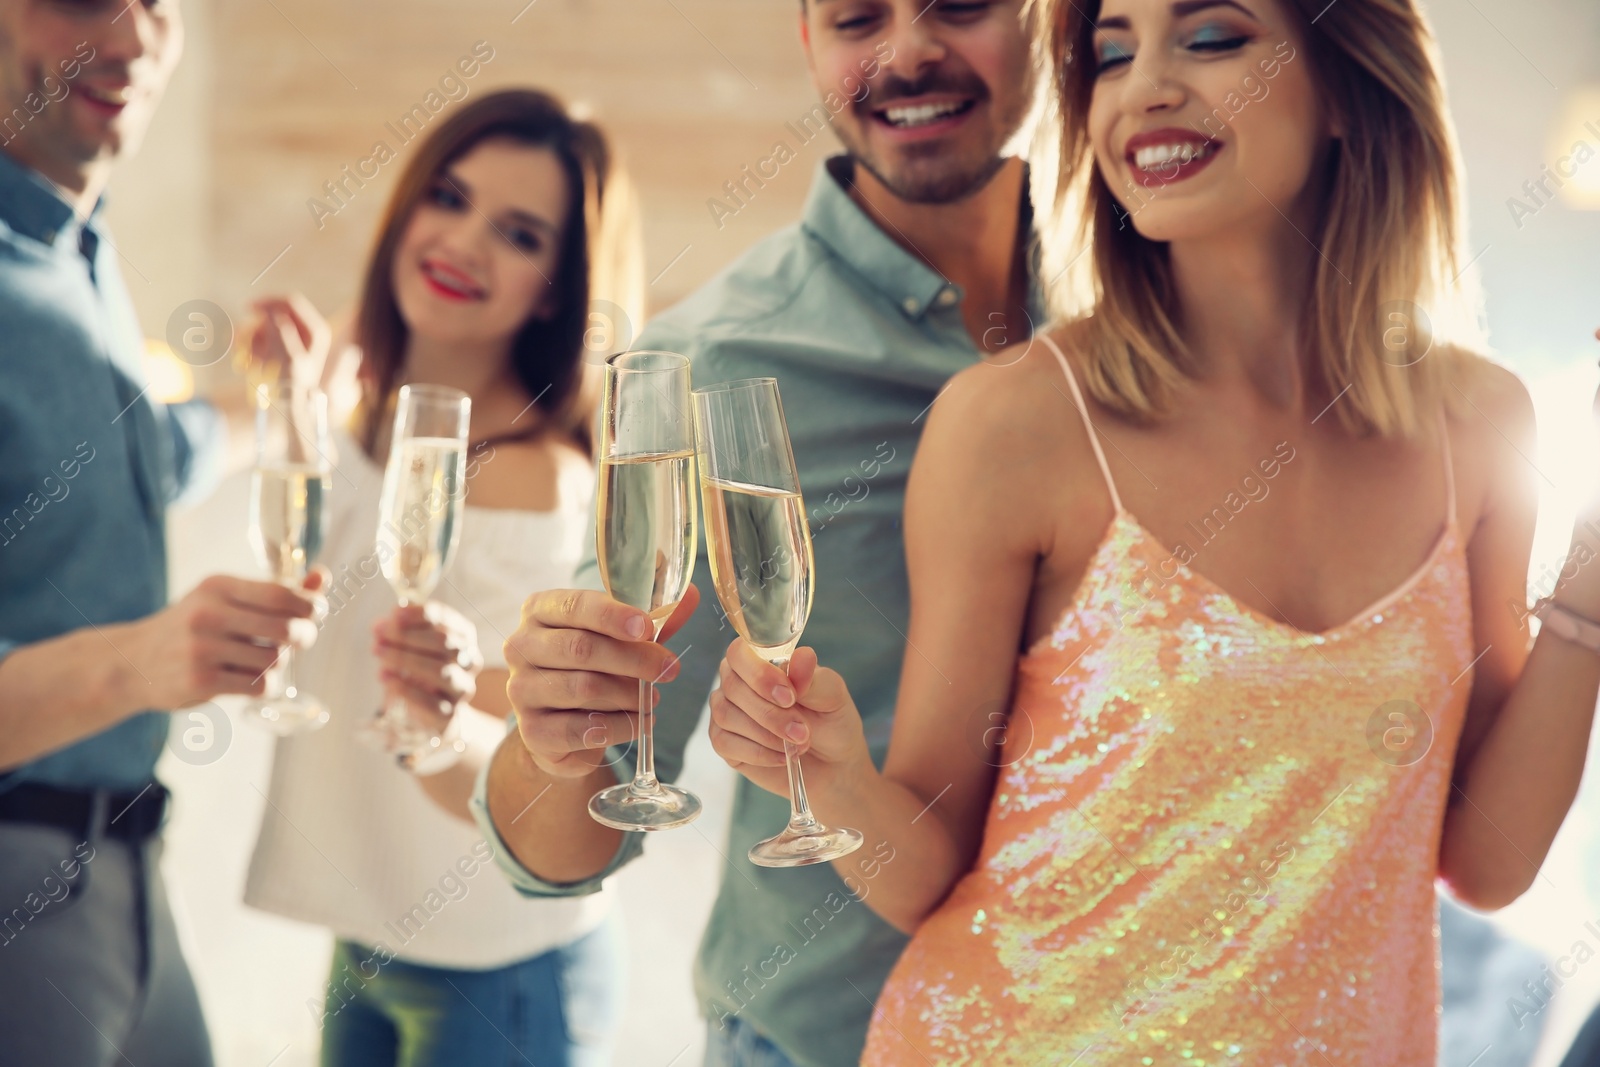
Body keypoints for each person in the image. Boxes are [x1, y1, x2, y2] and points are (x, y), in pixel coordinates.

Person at [708, 0, 1600, 1062]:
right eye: (1112, 54)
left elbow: (1484, 858)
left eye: (1212, 38)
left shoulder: (1477, 422)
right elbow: (928, 868)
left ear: (1350, 93)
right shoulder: (1018, 422)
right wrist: (836, 771)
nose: (1143, 88)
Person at [475, 2, 1042, 1064]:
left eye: (959, 5)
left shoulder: (1151, 312)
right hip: (826, 1035)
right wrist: (553, 736)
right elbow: (573, 836)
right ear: (807, 43)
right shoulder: (720, 362)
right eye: (856, 17)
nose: (907, 51)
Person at [240, 89, 643, 1067]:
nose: (461, 243)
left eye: (517, 233)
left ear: (556, 288)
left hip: (495, 961)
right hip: (371, 933)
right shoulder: (370, 414)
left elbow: (518, 768)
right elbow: (314, 583)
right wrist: (293, 405)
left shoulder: (533, 474)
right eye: (449, 199)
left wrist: (438, 715)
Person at [0, 1, 326, 1064]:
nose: (138, 41)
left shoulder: (71, 247)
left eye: (160, 5)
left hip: (129, 869)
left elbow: (118, 459)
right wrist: (139, 660)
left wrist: (270, 408)